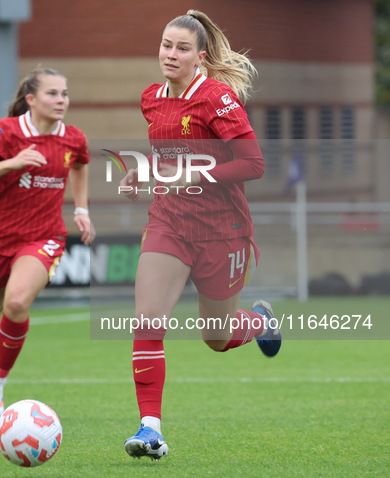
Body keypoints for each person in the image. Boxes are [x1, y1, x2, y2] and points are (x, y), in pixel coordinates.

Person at [120, 10, 282, 460]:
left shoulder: (217, 98)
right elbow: (169, 162)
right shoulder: (151, 98)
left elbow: (253, 164)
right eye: (166, 45)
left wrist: (195, 173)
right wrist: (142, 172)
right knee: (148, 320)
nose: (170, 54)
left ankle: (261, 323)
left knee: (217, 335)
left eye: (182, 48)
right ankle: (150, 429)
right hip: (170, 222)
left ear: (200, 57)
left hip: (221, 231)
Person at [0, 68, 94, 420]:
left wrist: (80, 208)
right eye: (52, 94)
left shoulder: (74, 138)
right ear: (31, 99)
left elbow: (80, 166)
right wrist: (14, 162)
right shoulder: (6, 133)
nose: (61, 100)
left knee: (17, 302)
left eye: (64, 93)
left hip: (44, 236)